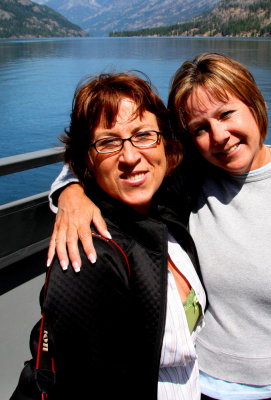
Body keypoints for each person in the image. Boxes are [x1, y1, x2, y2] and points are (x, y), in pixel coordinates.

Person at [46, 53, 271, 400]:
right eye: (200, 128)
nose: (220, 135)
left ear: (255, 105)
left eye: (227, 114)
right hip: (204, 385)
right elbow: (112, 156)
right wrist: (70, 192)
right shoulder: (192, 179)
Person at [10, 72, 206, 400]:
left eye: (143, 135)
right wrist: (72, 189)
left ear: (164, 142)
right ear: (87, 158)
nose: (130, 157)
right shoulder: (89, 255)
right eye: (108, 142)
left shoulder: (164, 209)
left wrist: (68, 189)